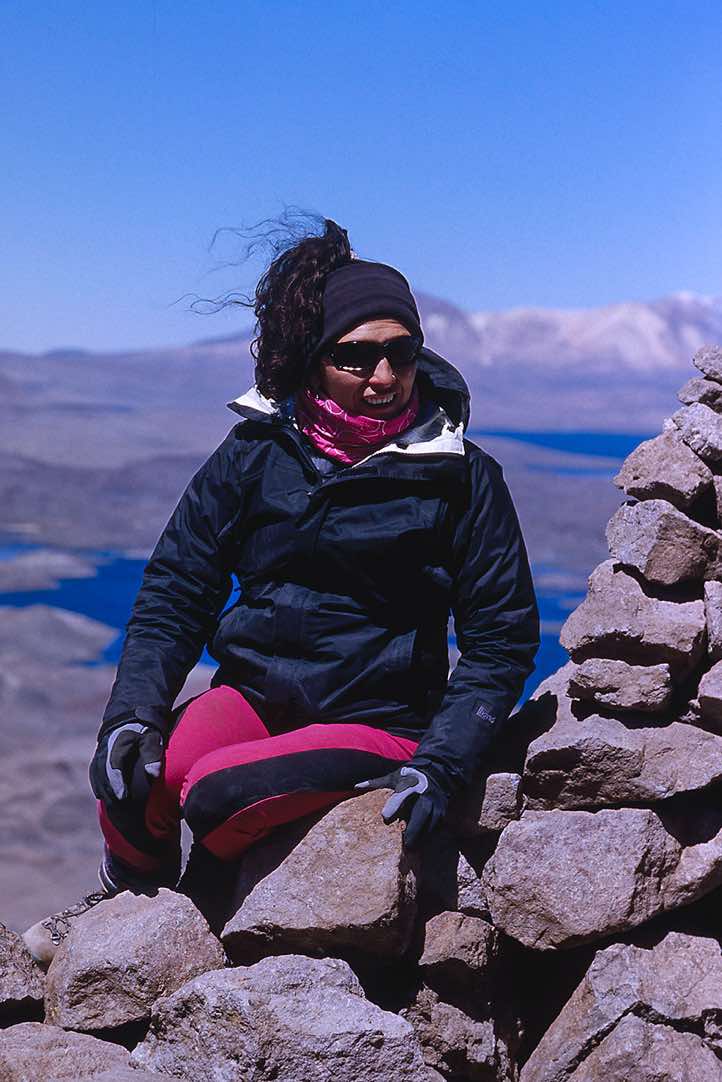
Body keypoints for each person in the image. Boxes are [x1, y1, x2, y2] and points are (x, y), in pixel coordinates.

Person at [23, 217, 539, 963]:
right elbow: (179, 584)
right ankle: (123, 909)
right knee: (134, 779)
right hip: (258, 695)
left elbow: (501, 641)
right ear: (311, 360)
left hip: (383, 717)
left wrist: (441, 762)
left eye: (402, 352)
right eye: (355, 357)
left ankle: (195, 920)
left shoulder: (463, 478)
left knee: (215, 793)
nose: (384, 376)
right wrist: (132, 711)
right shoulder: (257, 453)